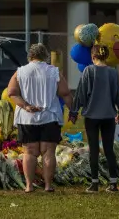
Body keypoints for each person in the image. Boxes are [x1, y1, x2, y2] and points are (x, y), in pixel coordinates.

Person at [6, 42, 72, 193]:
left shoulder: (21, 72)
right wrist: (73, 111)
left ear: (30, 56)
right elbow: (65, 93)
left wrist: (25, 105)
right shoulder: (53, 71)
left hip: (27, 118)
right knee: (48, 151)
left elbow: (12, 92)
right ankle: (48, 185)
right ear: (45, 56)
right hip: (50, 115)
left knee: (29, 152)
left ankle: (29, 186)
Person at [71, 44, 119, 192]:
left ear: (93, 57)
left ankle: (94, 183)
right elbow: (118, 94)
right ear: (106, 56)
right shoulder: (113, 72)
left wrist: (74, 111)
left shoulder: (88, 71)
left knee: (93, 149)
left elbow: (81, 92)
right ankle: (113, 183)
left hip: (92, 116)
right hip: (108, 115)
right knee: (109, 149)